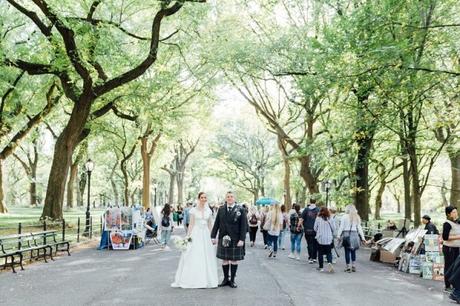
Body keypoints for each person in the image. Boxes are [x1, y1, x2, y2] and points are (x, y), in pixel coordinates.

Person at [171, 192, 218, 288]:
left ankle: (206, 279)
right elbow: (191, 224)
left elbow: (210, 225)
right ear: (199, 198)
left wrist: (212, 237)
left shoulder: (208, 211)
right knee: (194, 254)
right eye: (202, 197)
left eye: (205, 197)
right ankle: (192, 279)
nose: (203, 199)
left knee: (206, 256)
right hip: (196, 234)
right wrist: (188, 236)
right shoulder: (193, 210)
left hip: (205, 235)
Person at [211, 191, 248, 288]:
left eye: (231, 196)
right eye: (228, 197)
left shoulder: (241, 209)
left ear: (234, 198)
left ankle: (232, 280)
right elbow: (216, 223)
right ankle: (225, 279)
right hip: (223, 238)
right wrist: (213, 236)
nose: (230, 198)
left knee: (234, 260)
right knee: (225, 260)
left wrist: (242, 239)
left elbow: (244, 226)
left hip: (236, 239)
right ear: (225, 198)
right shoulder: (221, 209)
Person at [337, 204, 366, 272]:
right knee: (353, 251)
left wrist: (338, 235)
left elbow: (341, 227)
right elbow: (359, 228)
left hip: (346, 234)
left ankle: (348, 266)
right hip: (355, 234)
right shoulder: (357, 217)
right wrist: (363, 237)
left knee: (347, 251)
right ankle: (353, 265)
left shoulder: (344, 216)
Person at [442, 206, 460, 293]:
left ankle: (454, 285)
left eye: (456, 212)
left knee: (456, 267)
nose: (455, 213)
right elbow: (445, 237)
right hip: (449, 248)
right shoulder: (447, 223)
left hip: (457, 248)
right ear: (448, 214)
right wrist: (458, 237)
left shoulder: (458, 222)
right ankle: (447, 286)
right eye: (453, 212)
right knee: (449, 267)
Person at [314, 207, 336, 272]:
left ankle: (321, 267)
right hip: (328, 238)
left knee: (320, 253)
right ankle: (329, 263)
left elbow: (315, 228)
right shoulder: (330, 218)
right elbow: (334, 228)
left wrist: (318, 231)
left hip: (320, 238)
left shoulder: (318, 218)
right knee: (329, 252)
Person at [300, 199, 319, 263]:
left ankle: (310, 257)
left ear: (310, 202)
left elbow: (301, 219)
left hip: (307, 230)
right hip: (316, 230)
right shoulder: (318, 210)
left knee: (309, 244)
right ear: (315, 202)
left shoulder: (306, 209)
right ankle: (314, 258)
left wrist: (299, 226)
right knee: (315, 244)